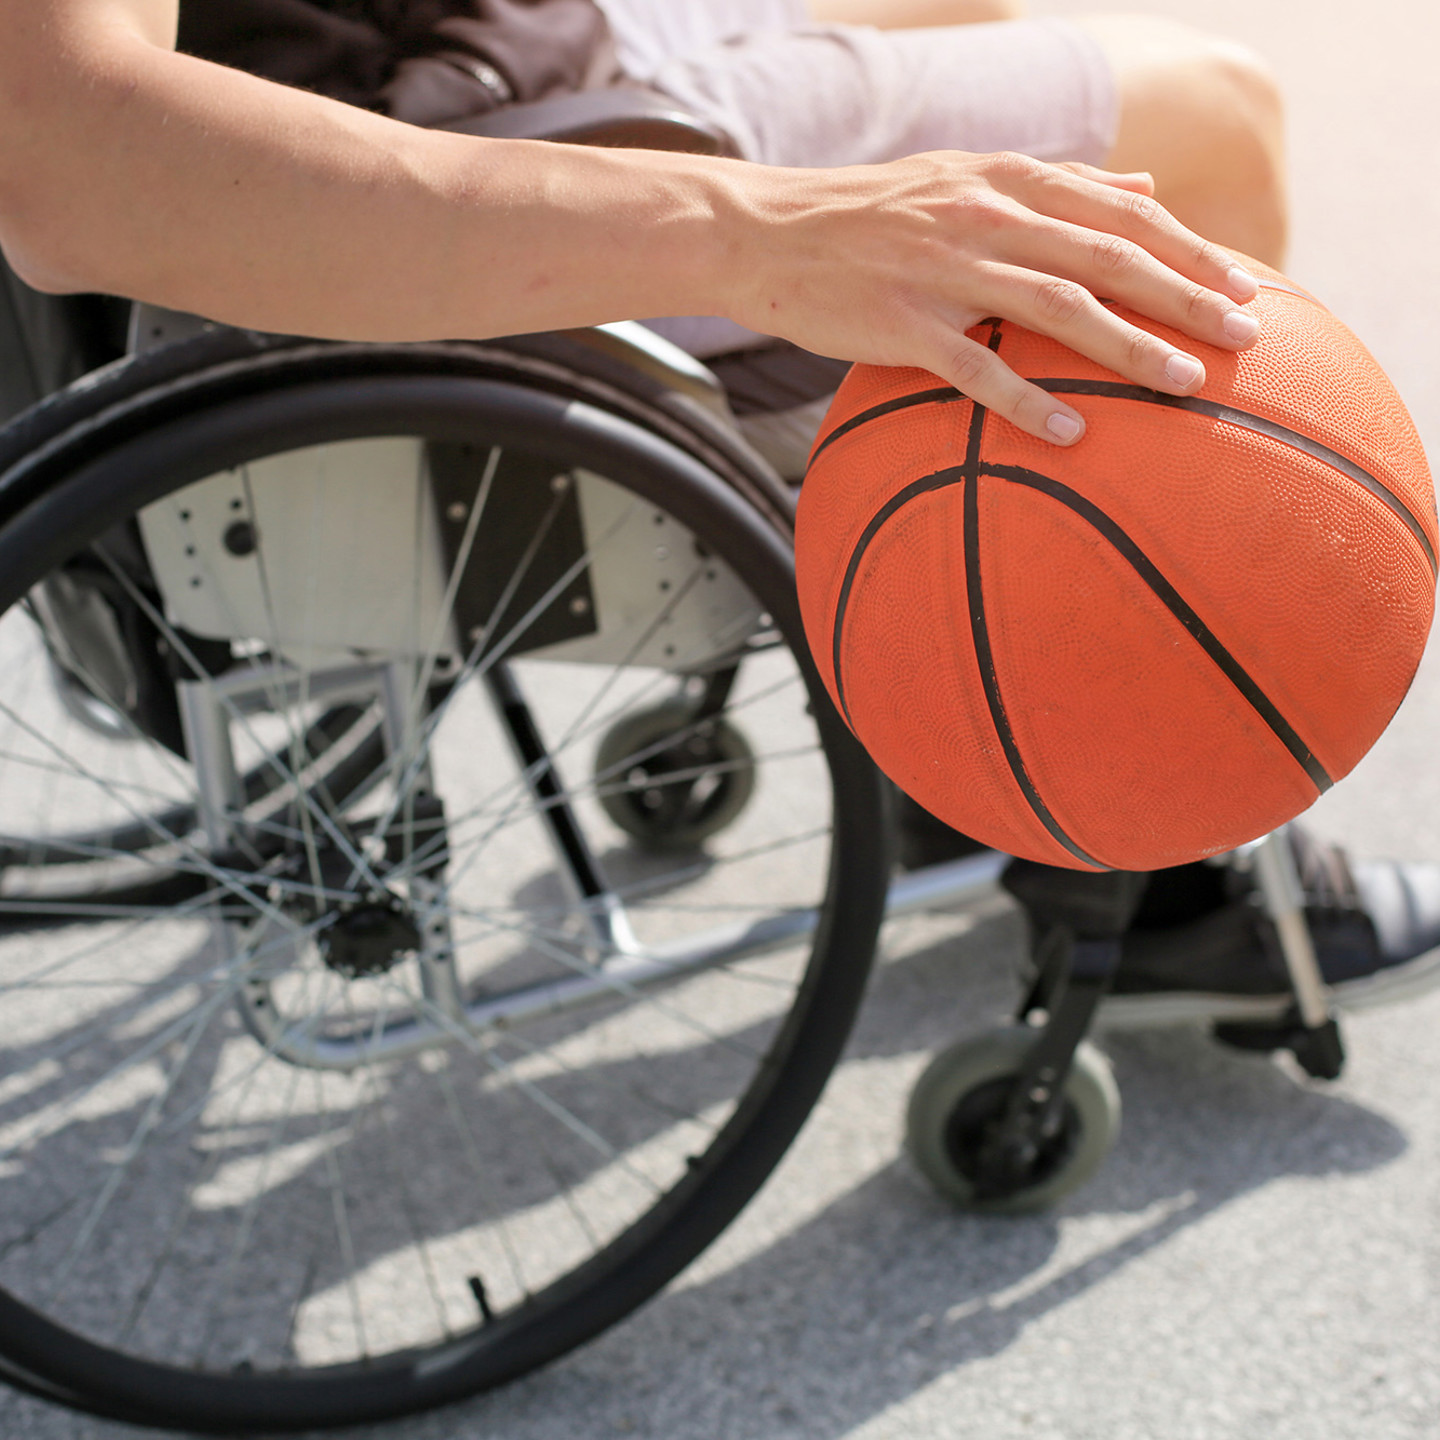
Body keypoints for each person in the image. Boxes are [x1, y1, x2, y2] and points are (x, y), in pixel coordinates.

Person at [1, 0, 1436, 1010]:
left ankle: (968, 730)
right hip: (425, 140)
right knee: (1214, 116)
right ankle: (1172, 873)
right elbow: (66, 158)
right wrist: (763, 231)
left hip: (475, 42)